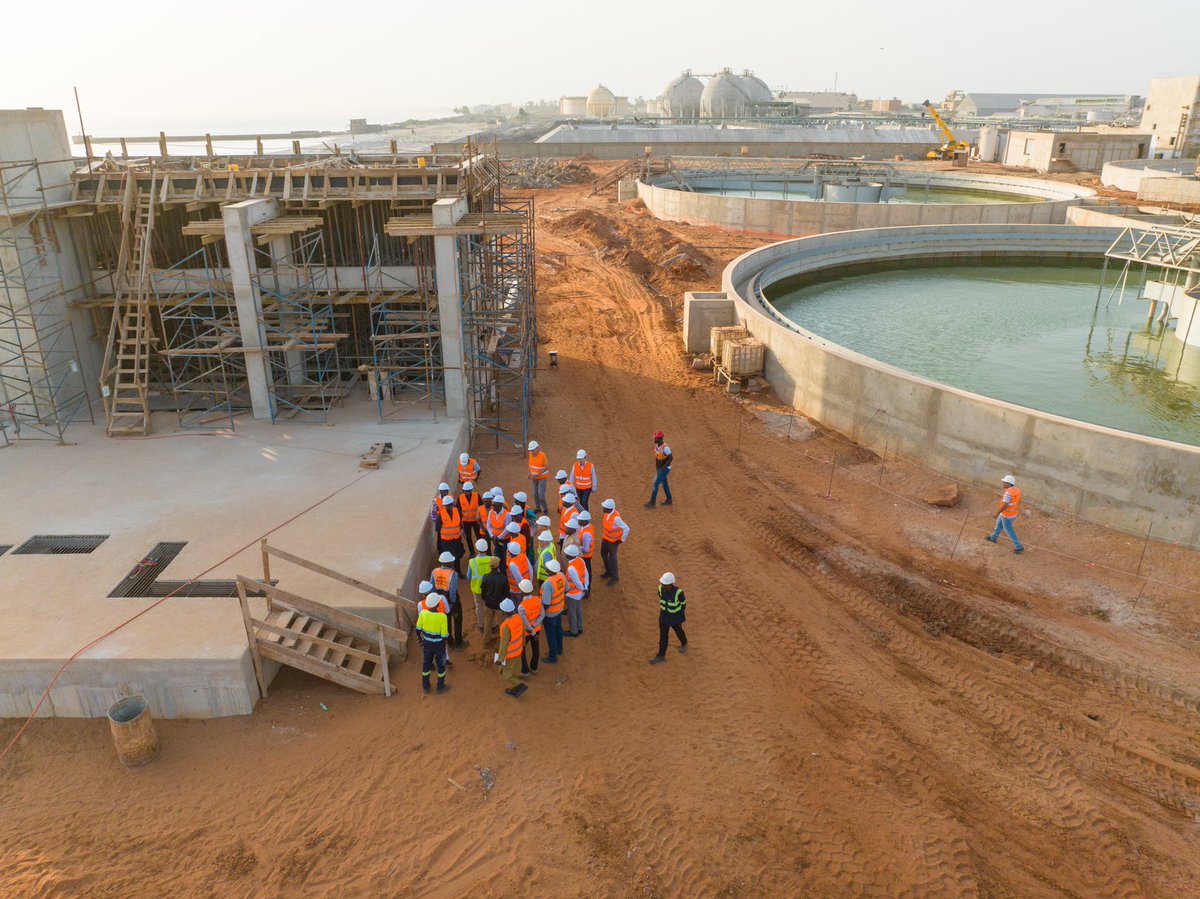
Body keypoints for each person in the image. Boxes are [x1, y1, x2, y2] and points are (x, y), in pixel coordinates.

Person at [648, 572, 687, 664]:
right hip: (664, 617)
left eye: (665, 585)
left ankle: (684, 643)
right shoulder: (660, 589)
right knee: (663, 636)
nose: (663, 586)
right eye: (662, 584)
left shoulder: (679, 593)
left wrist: (678, 615)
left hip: (675, 618)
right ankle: (661, 656)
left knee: (678, 631)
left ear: (671, 584)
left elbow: (683, 605)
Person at [415, 595, 450, 693]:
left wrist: (420, 640)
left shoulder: (423, 613)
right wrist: (445, 643)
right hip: (439, 646)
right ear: (438, 604)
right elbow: (444, 636)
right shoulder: (442, 617)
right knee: (441, 665)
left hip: (427, 645)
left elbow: (417, 630)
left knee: (426, 664)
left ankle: (426, 687)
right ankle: (440, 687)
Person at [495, 599, 527, 698]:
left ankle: (518, 685)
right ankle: (516, 687)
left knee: (506, 675)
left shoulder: (505, 626)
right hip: (519, 650)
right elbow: (522, 632)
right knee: (516, 670)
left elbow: (504, 644)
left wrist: (500, 660)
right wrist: (523, 644)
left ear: (503, 612)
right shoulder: (518, 618)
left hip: (510, 654)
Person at [987, 474, 1025, 555]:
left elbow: (1005, 505)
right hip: (1011, 514)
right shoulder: (1017, 490)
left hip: (1007, 515)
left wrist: (997, 513)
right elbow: (1018, 500)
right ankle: (993, 538)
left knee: (1009, 531)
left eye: (1004, 482)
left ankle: (1019, 547)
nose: (1003, 483)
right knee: (999, 525)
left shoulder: (1008, 493)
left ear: (1008, 483)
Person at [431, 552, 462, 647]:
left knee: (446, 622)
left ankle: (450, 642)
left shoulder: (434, 572)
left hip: (439, 603)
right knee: (458, 620)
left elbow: (432, 587)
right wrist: (453, 605)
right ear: (449, 563)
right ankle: (458, 641)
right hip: (451, 601)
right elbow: (452, 591)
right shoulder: (453, 574)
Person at [541, 559, 567, 663]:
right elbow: (567, 589)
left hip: (550, 613)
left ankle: (552, 656)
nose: (546, 569)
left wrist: (541, 612)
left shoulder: (547, 584)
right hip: (559, 609)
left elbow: (546, 604)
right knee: (558, 630)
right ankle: (559, 650)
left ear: (550, 571)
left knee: (551, 634)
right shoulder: (561, 575)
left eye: (547, 568)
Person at [599, 498, 630, 585]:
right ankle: (609, 571)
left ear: (609, 509)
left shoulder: (616, 518)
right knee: (603, 554)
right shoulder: (607, 513)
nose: (602, 508)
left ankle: (615, 577)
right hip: (606, 538)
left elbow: (626, 528)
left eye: (604, 507)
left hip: (613, 541)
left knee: (613, 558)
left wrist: (621, 540)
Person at [466, 539, 493, 637]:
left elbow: (468, 577)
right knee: (490, 606)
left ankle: (481, 624)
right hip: (490, 589)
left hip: (477, 589)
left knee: (479, 606)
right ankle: (493, 624)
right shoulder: (491, 559)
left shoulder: (472, 562)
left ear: (477, 549)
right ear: (486, 549)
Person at [518, 579, 544, 676]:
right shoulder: (538, 599)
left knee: (521, 649)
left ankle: (525, 670)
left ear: (522, 591)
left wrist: (531, 631)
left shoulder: (521, 607)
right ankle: (534, 667)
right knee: (535, 648)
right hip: (537, 629)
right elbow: (542, 615)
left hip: (526, 632)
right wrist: (535, 627)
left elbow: (526, 624)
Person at [480, 556, 508, 645]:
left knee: (487, 623)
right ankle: (503, 641)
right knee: (502, 624)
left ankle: (486, 640)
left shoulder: (485, 577)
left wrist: (486, 600)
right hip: (499, 605)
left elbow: (483, 592)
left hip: (488, 604)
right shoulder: (503, 578)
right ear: (498, 565)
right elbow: (506, 594)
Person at [563, 545, 589, 637]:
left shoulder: (571, 568)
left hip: (572, 594)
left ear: (569, 556)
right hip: (580, 592)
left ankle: (574, 631)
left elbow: (577, 582)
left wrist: (582, 588)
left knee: (571, 612)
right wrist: (585, 588)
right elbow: (586, 574)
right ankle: (580, 627)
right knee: (579, 610)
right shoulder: (580, 560)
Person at [436, 495, 464, 575]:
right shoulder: (440, 515)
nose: (449, 507)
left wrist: (461, 531)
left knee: (457, 556)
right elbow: (437, 528)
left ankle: (458, 572)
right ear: (444, 506)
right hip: (446, 541)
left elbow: (460, 523)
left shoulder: (457, 511)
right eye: (447, 505)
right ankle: (449, 574)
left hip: (456, 539)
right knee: (448, 558)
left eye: (450, 505)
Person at [645, 431, 674, 508]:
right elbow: (657, 459)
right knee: (664, 484)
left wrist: (664, 467)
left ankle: (652, 502)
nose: (654, 439)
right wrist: (658, 469)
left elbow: (671, 458)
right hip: (659, 468)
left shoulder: (665, 447)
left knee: (655, 483)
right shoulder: (657, 447)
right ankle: (669, 500)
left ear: (660, 438)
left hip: (665, 468)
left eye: (656, 438)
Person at [528, 440, 550, 515]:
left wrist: (538, 474)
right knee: (535, 494)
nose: (531, 451)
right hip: (534, 478)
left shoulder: (543, 456)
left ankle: (545, 509)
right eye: (530, 450)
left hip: (542, 478)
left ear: (537, 448)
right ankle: (538, 508)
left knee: (541, 494)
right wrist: (530, 473)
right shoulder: (530, 454)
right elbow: (530, 465)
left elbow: (547, 467)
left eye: (533, 450)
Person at [458, 482, 482, 549]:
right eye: (466, 491)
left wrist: (481, 519)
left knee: (479, 536)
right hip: (466, 521)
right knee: (468, 537)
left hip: (476, 520)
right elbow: (458, 511)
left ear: (471, 490)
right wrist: (460, 522)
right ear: (463, 491)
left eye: (469, 491)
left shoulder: (477, 496)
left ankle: (480, 549)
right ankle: (472, 552)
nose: (468, 492)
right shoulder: (460, 498)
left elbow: (481, 507)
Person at [576, 510, 596, 590]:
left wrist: (577, 547)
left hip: (586, 556)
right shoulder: (588, 526)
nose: (578, 521)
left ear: (585, 521)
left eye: (580, 520)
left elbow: (586, 549)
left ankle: (587, 588)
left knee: (586, 572)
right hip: (586, 555)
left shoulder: (586, 534)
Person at [486, 493, 509, 558]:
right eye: (492, 505)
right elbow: (488, 525)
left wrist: (499, 537)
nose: (492, 506)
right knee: (498, 555)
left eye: (494, 505)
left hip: (504, 540)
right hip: (495, 539)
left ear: (500, 505)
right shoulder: (491, 512)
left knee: (505, 555)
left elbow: (507, 529)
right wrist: (492, 536)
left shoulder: (507, 514)